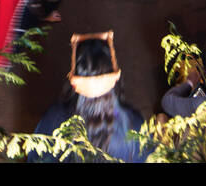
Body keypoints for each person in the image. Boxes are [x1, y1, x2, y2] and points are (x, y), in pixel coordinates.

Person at [34, 32, 148, 161]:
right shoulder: (134, 123)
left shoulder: (53, 119)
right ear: (115, 80)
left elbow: (35, 156)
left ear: (73, 82)